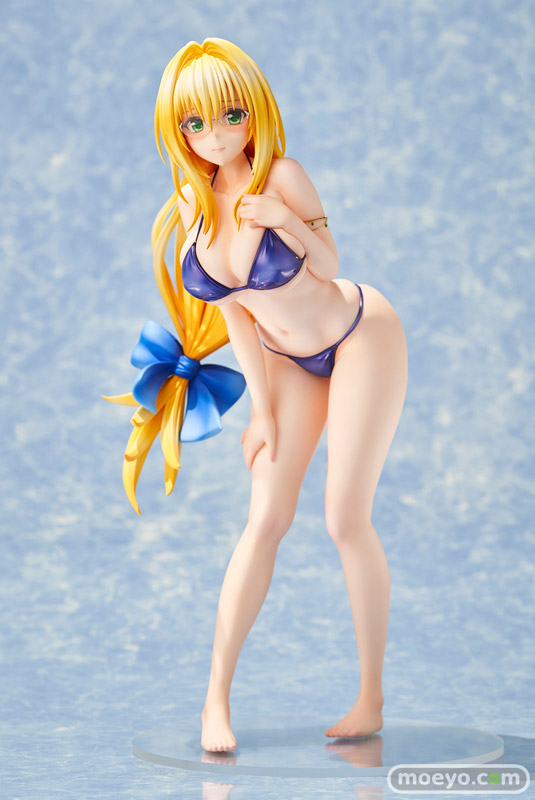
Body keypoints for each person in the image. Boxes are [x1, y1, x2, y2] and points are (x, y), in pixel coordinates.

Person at [154, 37, 408, 752]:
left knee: (344, 518)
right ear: (177, 130)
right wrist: (261, 411)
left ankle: (370, 696)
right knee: (264, 516)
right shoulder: (193, 202)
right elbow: (235, 309)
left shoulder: (284, 175)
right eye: (195, 123)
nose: (215, 135)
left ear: (254, 111)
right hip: (284, 359)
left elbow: (328, 265)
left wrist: (283, 221)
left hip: (358, 333)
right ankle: (215, 700)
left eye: (230, 115)